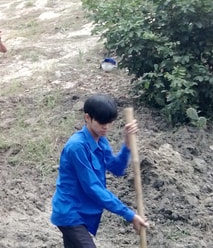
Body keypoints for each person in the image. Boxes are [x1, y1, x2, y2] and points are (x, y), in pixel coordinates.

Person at [51, 94, 149, 247]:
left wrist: (127, 144)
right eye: (102, 122)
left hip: (82, 213)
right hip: (70, 213)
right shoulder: (77, 146)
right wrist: (129, 214)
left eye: (110, 123)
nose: (106, 127)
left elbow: (117, 169)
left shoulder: (101, 141)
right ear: (88, 118)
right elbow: (93, 187)